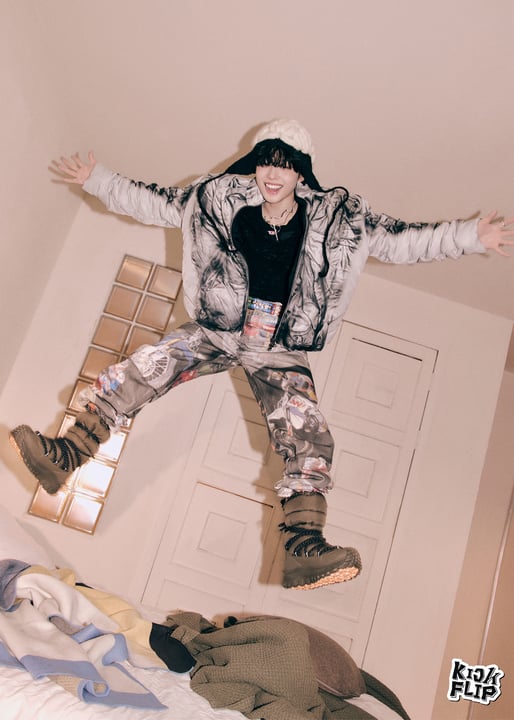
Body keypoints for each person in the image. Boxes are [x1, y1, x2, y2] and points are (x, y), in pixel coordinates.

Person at [10, 120, 513, 591]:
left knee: (307, 430)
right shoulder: (215, 198)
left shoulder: (339, 218)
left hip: (280, 343)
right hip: (218, 326)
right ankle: (66, 455)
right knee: (144, 367)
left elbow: (404, 241)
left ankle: (303, 548)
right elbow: (154, 201)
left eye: (286, 165)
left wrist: (471, 236)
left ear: (301, 173)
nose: (274, 174)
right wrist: (97, 179)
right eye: (267, 162)